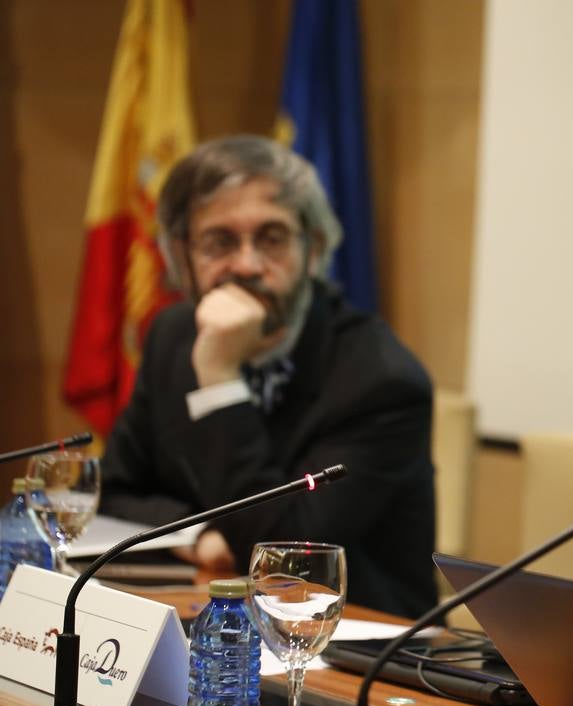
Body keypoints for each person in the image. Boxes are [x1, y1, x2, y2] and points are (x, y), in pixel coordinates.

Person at [99, 135, 437, 618]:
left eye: (272, 238)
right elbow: (114, 492)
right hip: (212, 623)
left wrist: (218, 379)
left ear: (314, 250)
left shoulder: (382, 382)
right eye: (219, 241)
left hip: (353, 655)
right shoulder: (173, 337)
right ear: (181, 257)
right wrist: (199, 536)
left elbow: (288, 560)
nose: (248, 265)